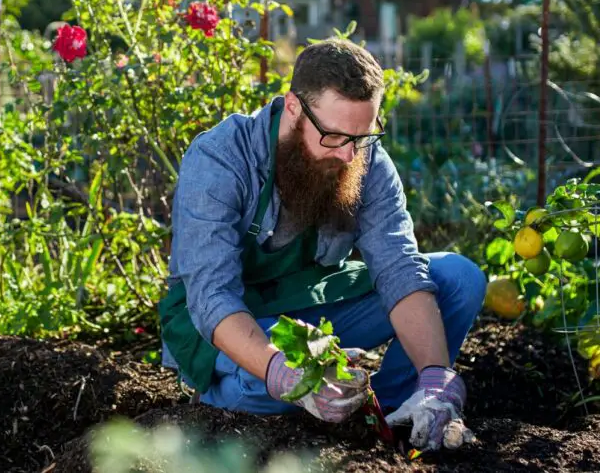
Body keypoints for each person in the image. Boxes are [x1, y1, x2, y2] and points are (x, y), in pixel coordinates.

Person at [158, 38, 486, 452]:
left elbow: (399, 267)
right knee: (265, 386)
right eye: (333, 136)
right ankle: (222, 401)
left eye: (362, 137)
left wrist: (437, 378)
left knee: (458, 278)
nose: (349, 155)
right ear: (293, 107)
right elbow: (212, 296)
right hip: (230, 322)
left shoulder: (364, 159)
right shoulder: (221, 158)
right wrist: (282, 372)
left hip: (311, 307)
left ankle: (395, 411)